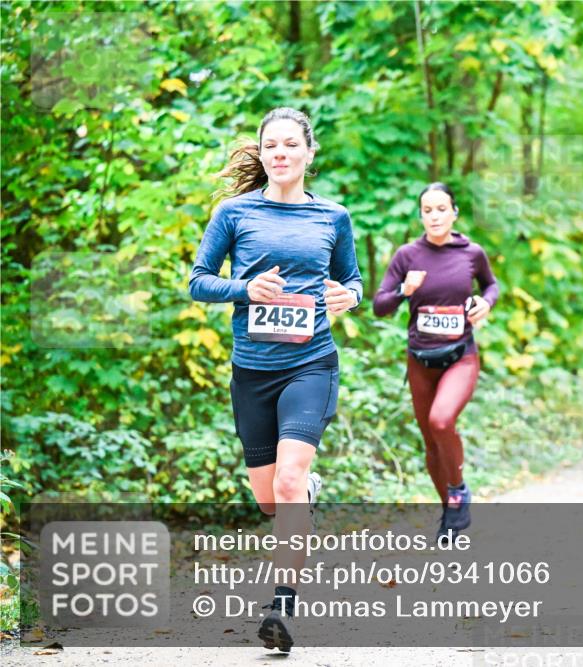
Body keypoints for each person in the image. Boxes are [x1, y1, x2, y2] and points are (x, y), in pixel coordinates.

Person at [189, 107, 362, 653]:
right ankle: (302, 493)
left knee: (287, 481)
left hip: (311, 364)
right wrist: (244, 289)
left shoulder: (333, 216)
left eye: (290, 144)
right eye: (271, 146)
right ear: (261, 153)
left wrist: (349, 296)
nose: (280, 153)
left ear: (309, 152)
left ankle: (281, 608)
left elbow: (353, 280)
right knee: (269, 500)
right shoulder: (234, 213)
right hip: (252, 372)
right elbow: (198, 281)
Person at [373, 182, 498, 541]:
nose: (435, 216)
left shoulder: (471, 252)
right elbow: (380, 305)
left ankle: (458, 491)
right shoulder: (407, 255)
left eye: (441, 209)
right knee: (430, 442)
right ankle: (450, 515)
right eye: (427, 210)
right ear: (421, 215)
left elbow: (491, 286)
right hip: (420, 359)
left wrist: (486, 302)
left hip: (460, 355)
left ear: (454, 213)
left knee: (441, 421)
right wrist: (404, 290)